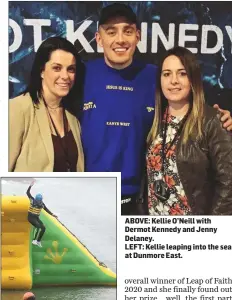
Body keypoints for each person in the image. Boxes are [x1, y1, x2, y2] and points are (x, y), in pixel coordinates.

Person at [81, 3, 232, 215]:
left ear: (138, 36)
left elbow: (193, 106)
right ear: (98, 38)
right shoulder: (80, 75)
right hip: (89, 196)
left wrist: (222, 118)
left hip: (138, 202)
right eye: (111, 32)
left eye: (128, 31)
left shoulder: (156, 76)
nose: (120, 39)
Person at [146, 46, 232, 215]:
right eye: (167, 74)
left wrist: (210, 231)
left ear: (193, 79)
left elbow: (228, 184)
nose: (174, 81)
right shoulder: (154, 121)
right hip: (154, 231)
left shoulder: (212, 121)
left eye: (182, 73)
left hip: (193, 233)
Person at [9, 37, 85, 172]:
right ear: (42, 71)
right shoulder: (18, 109)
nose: (65, 76)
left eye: (71, 69)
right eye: (57, 68)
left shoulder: (73, 119)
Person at [26, 180, 57, 247]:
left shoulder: (42, 204)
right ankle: (34, 240)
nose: (38, 202)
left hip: (36, 217)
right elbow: (27, 193)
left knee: (43, 228)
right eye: (38, 200)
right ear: (36, 199)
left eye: (39, 201)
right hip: (30, 217)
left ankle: (38, 241)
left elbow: (46, 209)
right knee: (37, 226)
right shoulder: (32, 200)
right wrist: (30, 185)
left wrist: (52, 214)